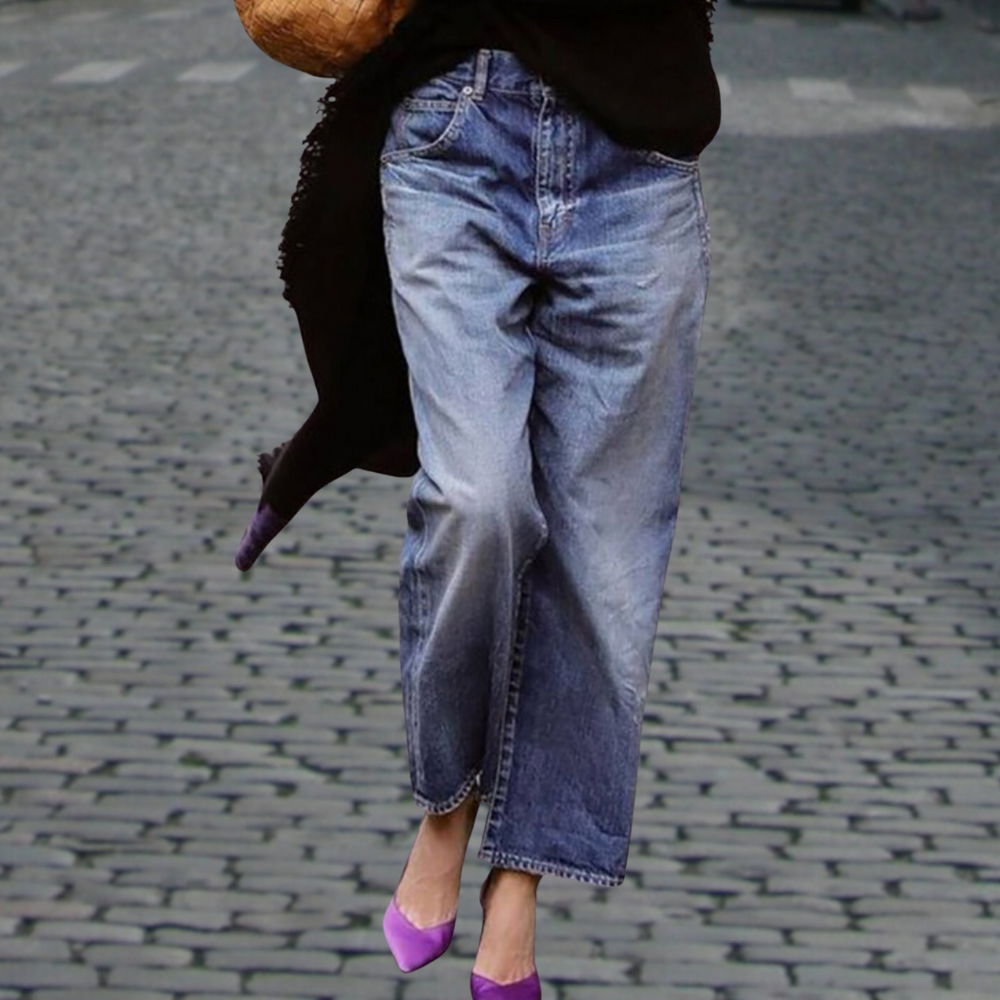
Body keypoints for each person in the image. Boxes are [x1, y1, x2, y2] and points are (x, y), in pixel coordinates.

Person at [236, 2, 720, 997]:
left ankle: (520, 880)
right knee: (477, 497)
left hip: (638, 155)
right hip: (456, 127)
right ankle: (448, 803)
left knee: (604, 562)